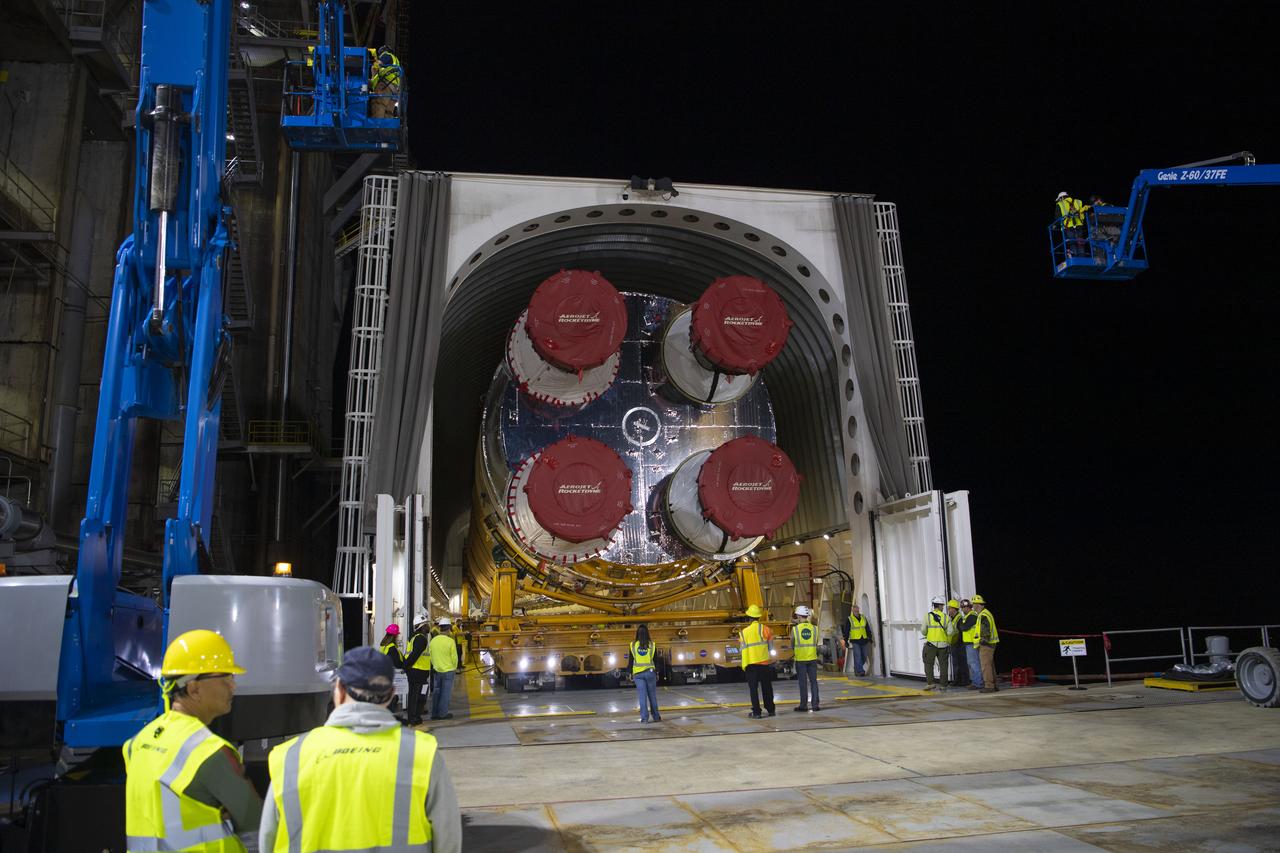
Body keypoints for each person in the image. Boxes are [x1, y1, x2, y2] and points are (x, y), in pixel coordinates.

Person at [259, 646, 461, 853]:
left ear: (339, 690)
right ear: (391, 694)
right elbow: (448, 837)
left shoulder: (292, 756)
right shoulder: (421, 753)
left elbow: (267, 839)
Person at [124, 629, 263, 852]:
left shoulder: (136, 744)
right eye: (225, 677)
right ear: (194, 688)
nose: (233, 686)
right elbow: (258, 831)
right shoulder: (209, 752)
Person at [739, 604, 776, 718]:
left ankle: (756, 712)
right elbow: (770, 647)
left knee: (753, 690)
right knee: (767, 688)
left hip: (751, 664)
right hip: (764, 664)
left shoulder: (744, 632)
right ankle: (771, 710)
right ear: (759, 617)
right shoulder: (766, 629)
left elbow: (742, 650)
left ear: (749, 617)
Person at [627, 624, 661, 723]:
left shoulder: (633, 645)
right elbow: (656, 660)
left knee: (642, 696)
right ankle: (656, 717)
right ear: (647, 633)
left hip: (638, 674)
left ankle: (644, 719)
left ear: (637, 633)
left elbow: (630, 661)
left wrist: (630, 673)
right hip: (650, 673)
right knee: (652, 696)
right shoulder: (652, 645)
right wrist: (657, 673)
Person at [403, 618, 433, 725]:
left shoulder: (415, 637)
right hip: (417, 672)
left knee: (417, 695)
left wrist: (406, 667)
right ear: (422, 626)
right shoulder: (420, 639)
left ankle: (415, 716)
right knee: (417, 696)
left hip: (418, 672)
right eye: (427, 625)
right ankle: (413, 718)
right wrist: (406, 666)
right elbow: (414, 655)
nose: (429, 627)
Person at [791, 605, 820, 712]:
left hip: (801, 660)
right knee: (813, 682)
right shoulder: (815, 629)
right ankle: (815, 705)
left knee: (803, 683)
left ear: (799, 616)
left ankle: (803, 705)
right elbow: (815, 643)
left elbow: (792, 644)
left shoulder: (795, 630)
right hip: (812, 658)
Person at [429, 617, 459, 720]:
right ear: (449, 628)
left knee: (436, 692)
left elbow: (431, 656)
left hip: (437, 670)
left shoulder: (433, 641)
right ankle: (443, 714)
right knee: (445, 693)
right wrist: (454, 667)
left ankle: (434, 714)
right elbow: (454, 658)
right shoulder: (450, 641)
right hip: (448, 670)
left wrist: (435, 665)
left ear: (440, 628)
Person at [920, 595, 950, 690]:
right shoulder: (946, 617)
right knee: (943, 665)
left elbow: (923, 631)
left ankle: (931, 683)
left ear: (934, 605)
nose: (943, 607)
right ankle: (943, 685)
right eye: (942, 605)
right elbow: (950, 631)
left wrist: (929, 633)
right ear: (940, 606)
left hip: (931, 644)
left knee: (928, 664)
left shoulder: (928, 616)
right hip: (943, 645)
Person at [973, 594, 1000, 693]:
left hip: (986, 644)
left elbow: (985, 630)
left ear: (977, 605)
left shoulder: (983, 615)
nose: (973, 607)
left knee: (985, 666)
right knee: (990, 665)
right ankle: (994, 685)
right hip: (990, 643)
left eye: (974, 604)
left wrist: (982, 641)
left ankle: (989, 686)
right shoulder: (986, 613)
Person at [370, 45, 401, 119]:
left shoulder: (386, 55)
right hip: (394, 89)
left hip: (385, 86)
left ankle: (377, 125)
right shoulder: (395, 60)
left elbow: (376, 66)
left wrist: (373, 74)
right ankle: (386, 127)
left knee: (378, 105)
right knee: (388, 112)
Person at [957, 598, 981, 689]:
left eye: (963, 608)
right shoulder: (967, 616)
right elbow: (962, 627)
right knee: (971, 663)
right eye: (962, 608)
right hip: (968, 643)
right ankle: (975, 682)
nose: (962, 610)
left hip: (972, 643)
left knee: (974, 663)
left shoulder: (972, 616)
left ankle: (978, 683)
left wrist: (961, 625)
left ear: (968, 607)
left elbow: (964, 627)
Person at [1055, 191, 1087, 256]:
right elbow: (1082, 214)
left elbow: (1058, 218)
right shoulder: (1078, 202)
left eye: (1059, 199)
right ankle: (1082, 256)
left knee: (1072, 242)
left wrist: (1055, 225)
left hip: (1068, 226)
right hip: (1079, 225)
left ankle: (1074, 257)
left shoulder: (1060, 204)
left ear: (1062, 198)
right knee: (1080, 242)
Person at [946, 599, 969, 687]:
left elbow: (960, 632)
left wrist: (956, 642)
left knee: (962, 663)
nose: (948, 610)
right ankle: (958, 680)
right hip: (955, 644)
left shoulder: (959, 618)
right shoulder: (953, 618)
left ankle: (964, 680)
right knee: (956, 663)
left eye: (949, 608)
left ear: (954, 609)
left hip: (959, 644)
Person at [845, 604, 871, 677]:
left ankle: (857, 667)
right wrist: (846, 640)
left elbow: (867, 628)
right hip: (855, 640)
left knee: (864, 656)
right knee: (858, 656)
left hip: (864, 639)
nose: (856, 612)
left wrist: (870, 637)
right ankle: (860, 671)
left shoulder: (863, 617)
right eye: (855, 611)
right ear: (852, 611)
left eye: (857, 610)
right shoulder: (850, 619)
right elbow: (846, 631)